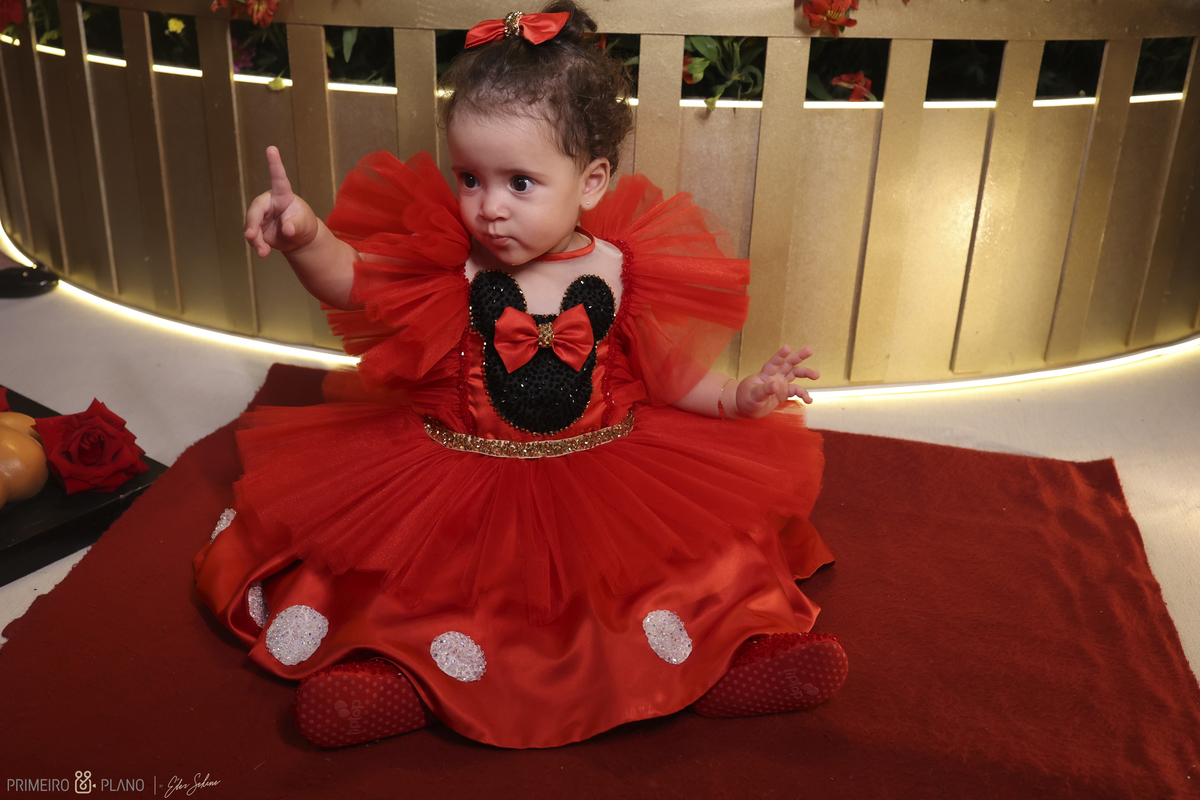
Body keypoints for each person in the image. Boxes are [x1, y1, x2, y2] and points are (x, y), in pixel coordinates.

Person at [193, 1, 847, 750]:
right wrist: (306, 236)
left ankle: (731, 657)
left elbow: (666, 378)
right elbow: (352, 280)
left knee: (688, 562)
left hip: (604, 469)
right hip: (459, 468)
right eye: (470, 178)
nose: (489, 209)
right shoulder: (452, 261)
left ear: (591, 181)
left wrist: (737, 397)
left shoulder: (623, 267)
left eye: (520, 183)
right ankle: (398, 675)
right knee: (426, 581)